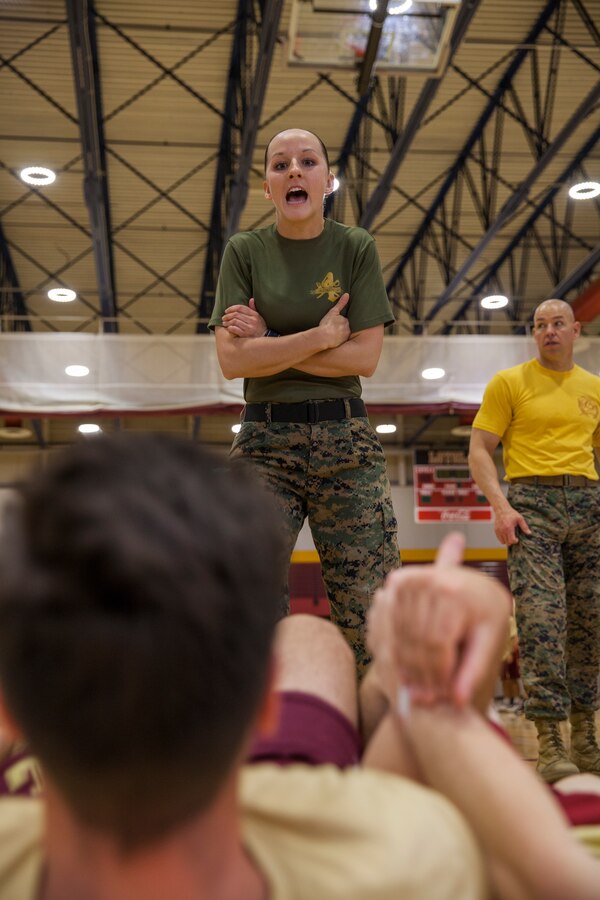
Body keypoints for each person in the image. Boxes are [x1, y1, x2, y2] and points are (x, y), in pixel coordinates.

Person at [0, 435, 598, 900]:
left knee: (308, 636)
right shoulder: (420, 858)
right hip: (286, 812)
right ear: (265, 705)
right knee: (310, 638)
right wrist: (434, 686)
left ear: (10, 716)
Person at [209, 127, 398, 674]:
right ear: (267, 188)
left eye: (307, 161)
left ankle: (371, 738)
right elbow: (232, 362)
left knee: (371, 603)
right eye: (279, 164)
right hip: (265, 440)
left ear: (327, 181)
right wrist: (318, 338)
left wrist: (267, 343)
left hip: (347, 440)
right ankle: (263, 738)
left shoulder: (355, 246)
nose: (294, 170)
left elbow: (363, 359)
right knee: (245, 589)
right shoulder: (244, 252)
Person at [468, 298, 600, 782]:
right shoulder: (510, 383)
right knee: (543, 622)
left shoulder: (594, 388)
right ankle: (549, 743)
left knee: (589, 624)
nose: (548, 331)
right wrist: (501, 506)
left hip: (588, 508)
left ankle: (586, 737)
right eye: (540, 324)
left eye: (557, 323)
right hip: (531, 508)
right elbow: (480, 449)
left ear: (575, 330)